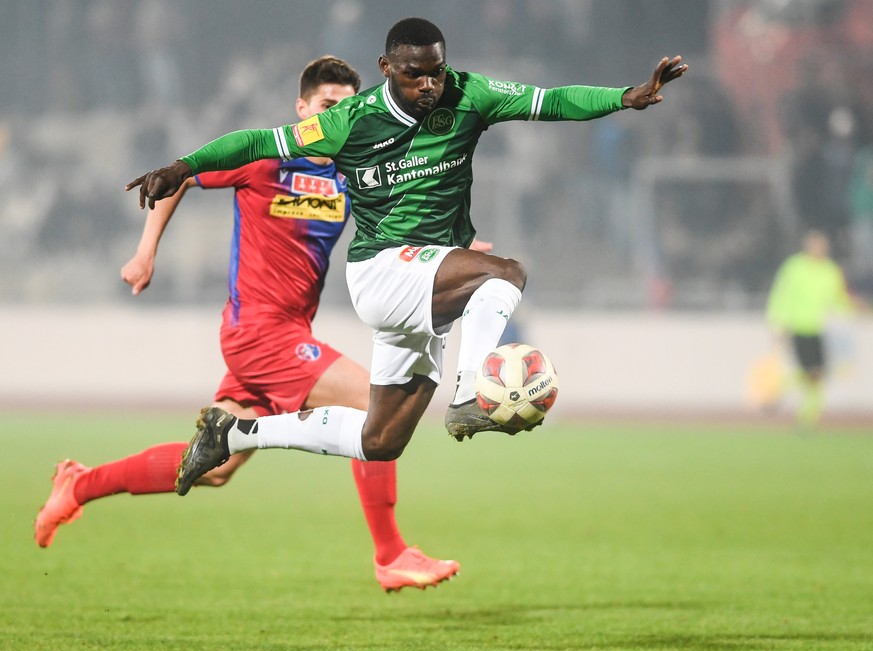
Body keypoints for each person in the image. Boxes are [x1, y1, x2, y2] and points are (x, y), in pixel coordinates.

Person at [125, 18, 687, 489]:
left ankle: (235, 433)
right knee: (506, 275)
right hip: (380, 270)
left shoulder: (471, 94)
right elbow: (256, 141)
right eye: (414, 74)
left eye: (436, 72)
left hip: (423, 282)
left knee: (380, 441)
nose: (428, 85)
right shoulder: (351, 120)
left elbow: (553, 101)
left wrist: (624, 97)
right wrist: (184, 165)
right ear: (387, 67)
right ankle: (473, 390)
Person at [35, 55, 462, 592]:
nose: (340, 116)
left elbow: (402, 224)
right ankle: (390, 554)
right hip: (260, 333)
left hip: (284, 337)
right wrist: (145, 252)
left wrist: (445, 255)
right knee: (372, 406)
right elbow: (182, 175)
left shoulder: (351, 174)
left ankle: (78, 485)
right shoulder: (266, 159)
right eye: (329, 105)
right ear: (302, 108)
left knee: (212, 467)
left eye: (349, 108)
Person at [766, 229, 859, 428]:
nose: (818, 249)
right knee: (812, 373)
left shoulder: (830, 271)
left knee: (815, 374)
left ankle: (790, 398)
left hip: (818, 328)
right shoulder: (794, 267)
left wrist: (856, 308)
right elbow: (780, 295)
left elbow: (838, 300)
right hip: (798, 327)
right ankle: (804, 413)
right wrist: (777, 322)